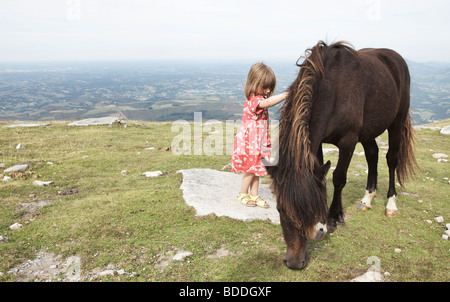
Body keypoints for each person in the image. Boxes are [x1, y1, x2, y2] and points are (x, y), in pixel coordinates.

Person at [230, 62, 288, 208]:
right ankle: (243, 193)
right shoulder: (254, 100)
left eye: (270, 87)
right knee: (250, 169)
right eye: (265, 86)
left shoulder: (259, 98)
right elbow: (268, 102)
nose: (268, 90)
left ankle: (254, 195)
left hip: (259, 141)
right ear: (254, 83)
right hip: (250, 142)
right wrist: (287, 94)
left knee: (258, 169)